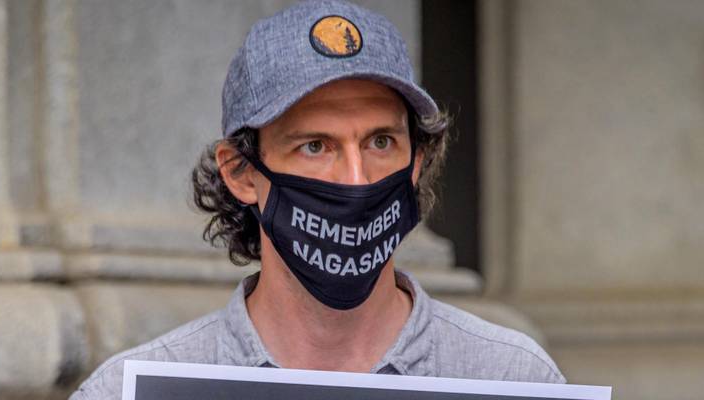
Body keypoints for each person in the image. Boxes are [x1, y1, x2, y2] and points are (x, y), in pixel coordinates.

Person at [70, 1, 563, 398]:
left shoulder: (513, 379)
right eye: (315, 146)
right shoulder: (128, 390)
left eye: (380, 142)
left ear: (416, 162)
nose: (355, 178)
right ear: (241, 172)